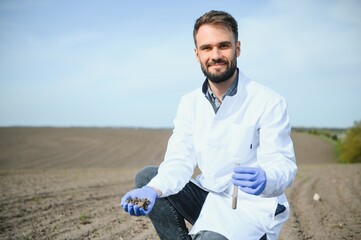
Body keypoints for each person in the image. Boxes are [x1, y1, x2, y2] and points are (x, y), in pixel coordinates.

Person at [120, 10, 297, 240]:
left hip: (251, 208)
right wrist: (152, 190)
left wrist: (267, 178)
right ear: (197, 54)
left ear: (238, 48)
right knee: (148, 178)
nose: (215, 55)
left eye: (223, 46)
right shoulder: (189, 103)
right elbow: (179, 160)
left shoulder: (268, 101)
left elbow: (282, 164)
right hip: (210, 198)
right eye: (207, 48)